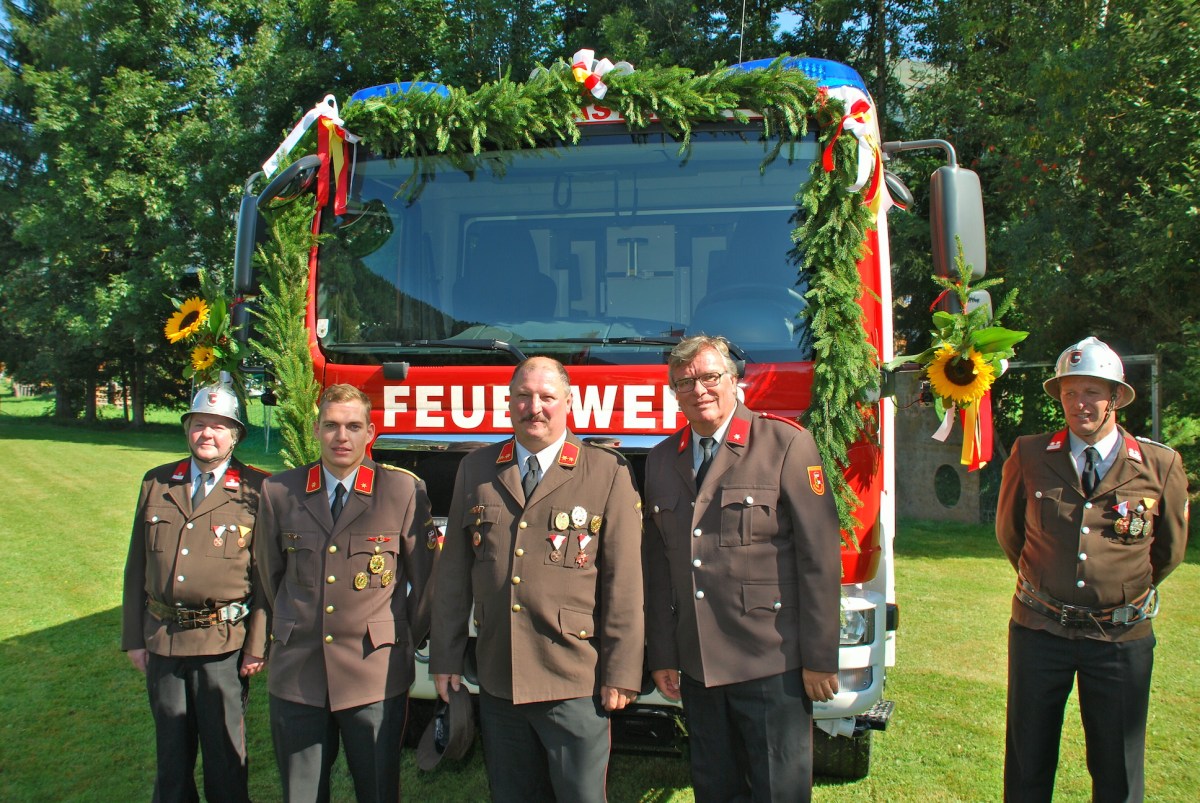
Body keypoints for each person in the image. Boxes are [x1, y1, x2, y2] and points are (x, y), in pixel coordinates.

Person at [431, 356, 644, 803]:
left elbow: (624, 583)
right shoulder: (477, 468)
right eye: (524, 396)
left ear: (569, 402)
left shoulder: (607, 472)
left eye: (547, 397)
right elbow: (453, 575)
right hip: (499, 676)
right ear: (509, 403)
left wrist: (622, 671)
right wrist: (445, 657)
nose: (535, 408)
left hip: (573, 679)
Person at [643, 334, 842, 803]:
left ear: (735, 381)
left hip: (770, 661)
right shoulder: (660, 460)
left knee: (778, 790)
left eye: (710, 377)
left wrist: (819, 658)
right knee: (715, 789)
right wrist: (664, 655)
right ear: (675, 394)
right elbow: (658, 569)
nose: (699, 390)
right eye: (684, 382)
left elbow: (818, 558)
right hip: (699, 667)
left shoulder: (785, 444)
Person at [997, 336, 1189, 803]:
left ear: (1115, 398)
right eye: (1069, 392)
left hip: (1119, 639)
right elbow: (1010, 534)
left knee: (1118, 767)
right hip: (1040, 631)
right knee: (1027, 762)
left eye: (1091, 392)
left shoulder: (1159, 465)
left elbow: (1168, 551)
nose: (1079, 403)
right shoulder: (1030, 454)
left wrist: (1115, 590)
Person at [255, 384, 437, 803]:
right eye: (331, 425)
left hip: (373, 672)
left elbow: (427, 584)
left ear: (370, 432)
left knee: (377, 790)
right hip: (299, 671)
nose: (342, 436)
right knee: (301, 795)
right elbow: (270, 575)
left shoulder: (402, 492)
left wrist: (400, 638)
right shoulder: (280, 492)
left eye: (353, 426)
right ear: (316, 429)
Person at [121, 384, 269, 803]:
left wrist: (257, 645)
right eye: (200, 424)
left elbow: (266, 579)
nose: (208, 434)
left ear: (235, 435)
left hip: (222, 645)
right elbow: (136, 566)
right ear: (187, 429)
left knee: (225, 760)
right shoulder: (157, 482)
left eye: (219, 427)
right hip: (164, 640)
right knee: (171, 760)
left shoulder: (257, 489)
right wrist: (134, 637)